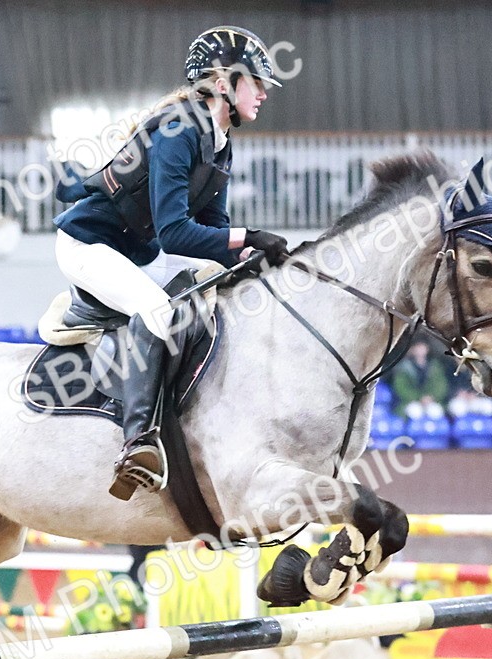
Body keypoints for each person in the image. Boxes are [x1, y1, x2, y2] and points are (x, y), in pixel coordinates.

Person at [53, 26, 291, 501]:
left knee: (216, 288)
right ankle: (137, 443)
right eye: (256, 83)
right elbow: (176, 233)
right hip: (88, 246)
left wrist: (248, 255)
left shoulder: (221, 142)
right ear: (223, 82)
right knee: (156, 310)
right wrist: (250, 235)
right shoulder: (180, 131)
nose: (263, 93)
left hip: (133, 253)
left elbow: (212, 228)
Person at [392, 339, 449, 420]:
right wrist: (419, 398)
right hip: (410, 402)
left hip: (432, 401)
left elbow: (441, 385)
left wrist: (431, 397)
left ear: (427, 349)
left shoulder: (435, 366)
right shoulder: (404, 367)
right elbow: (400, 387)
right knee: (415, 412)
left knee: (436, 412)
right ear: (412, 349)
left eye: (422, 347)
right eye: (417, 347)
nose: (420, 350)